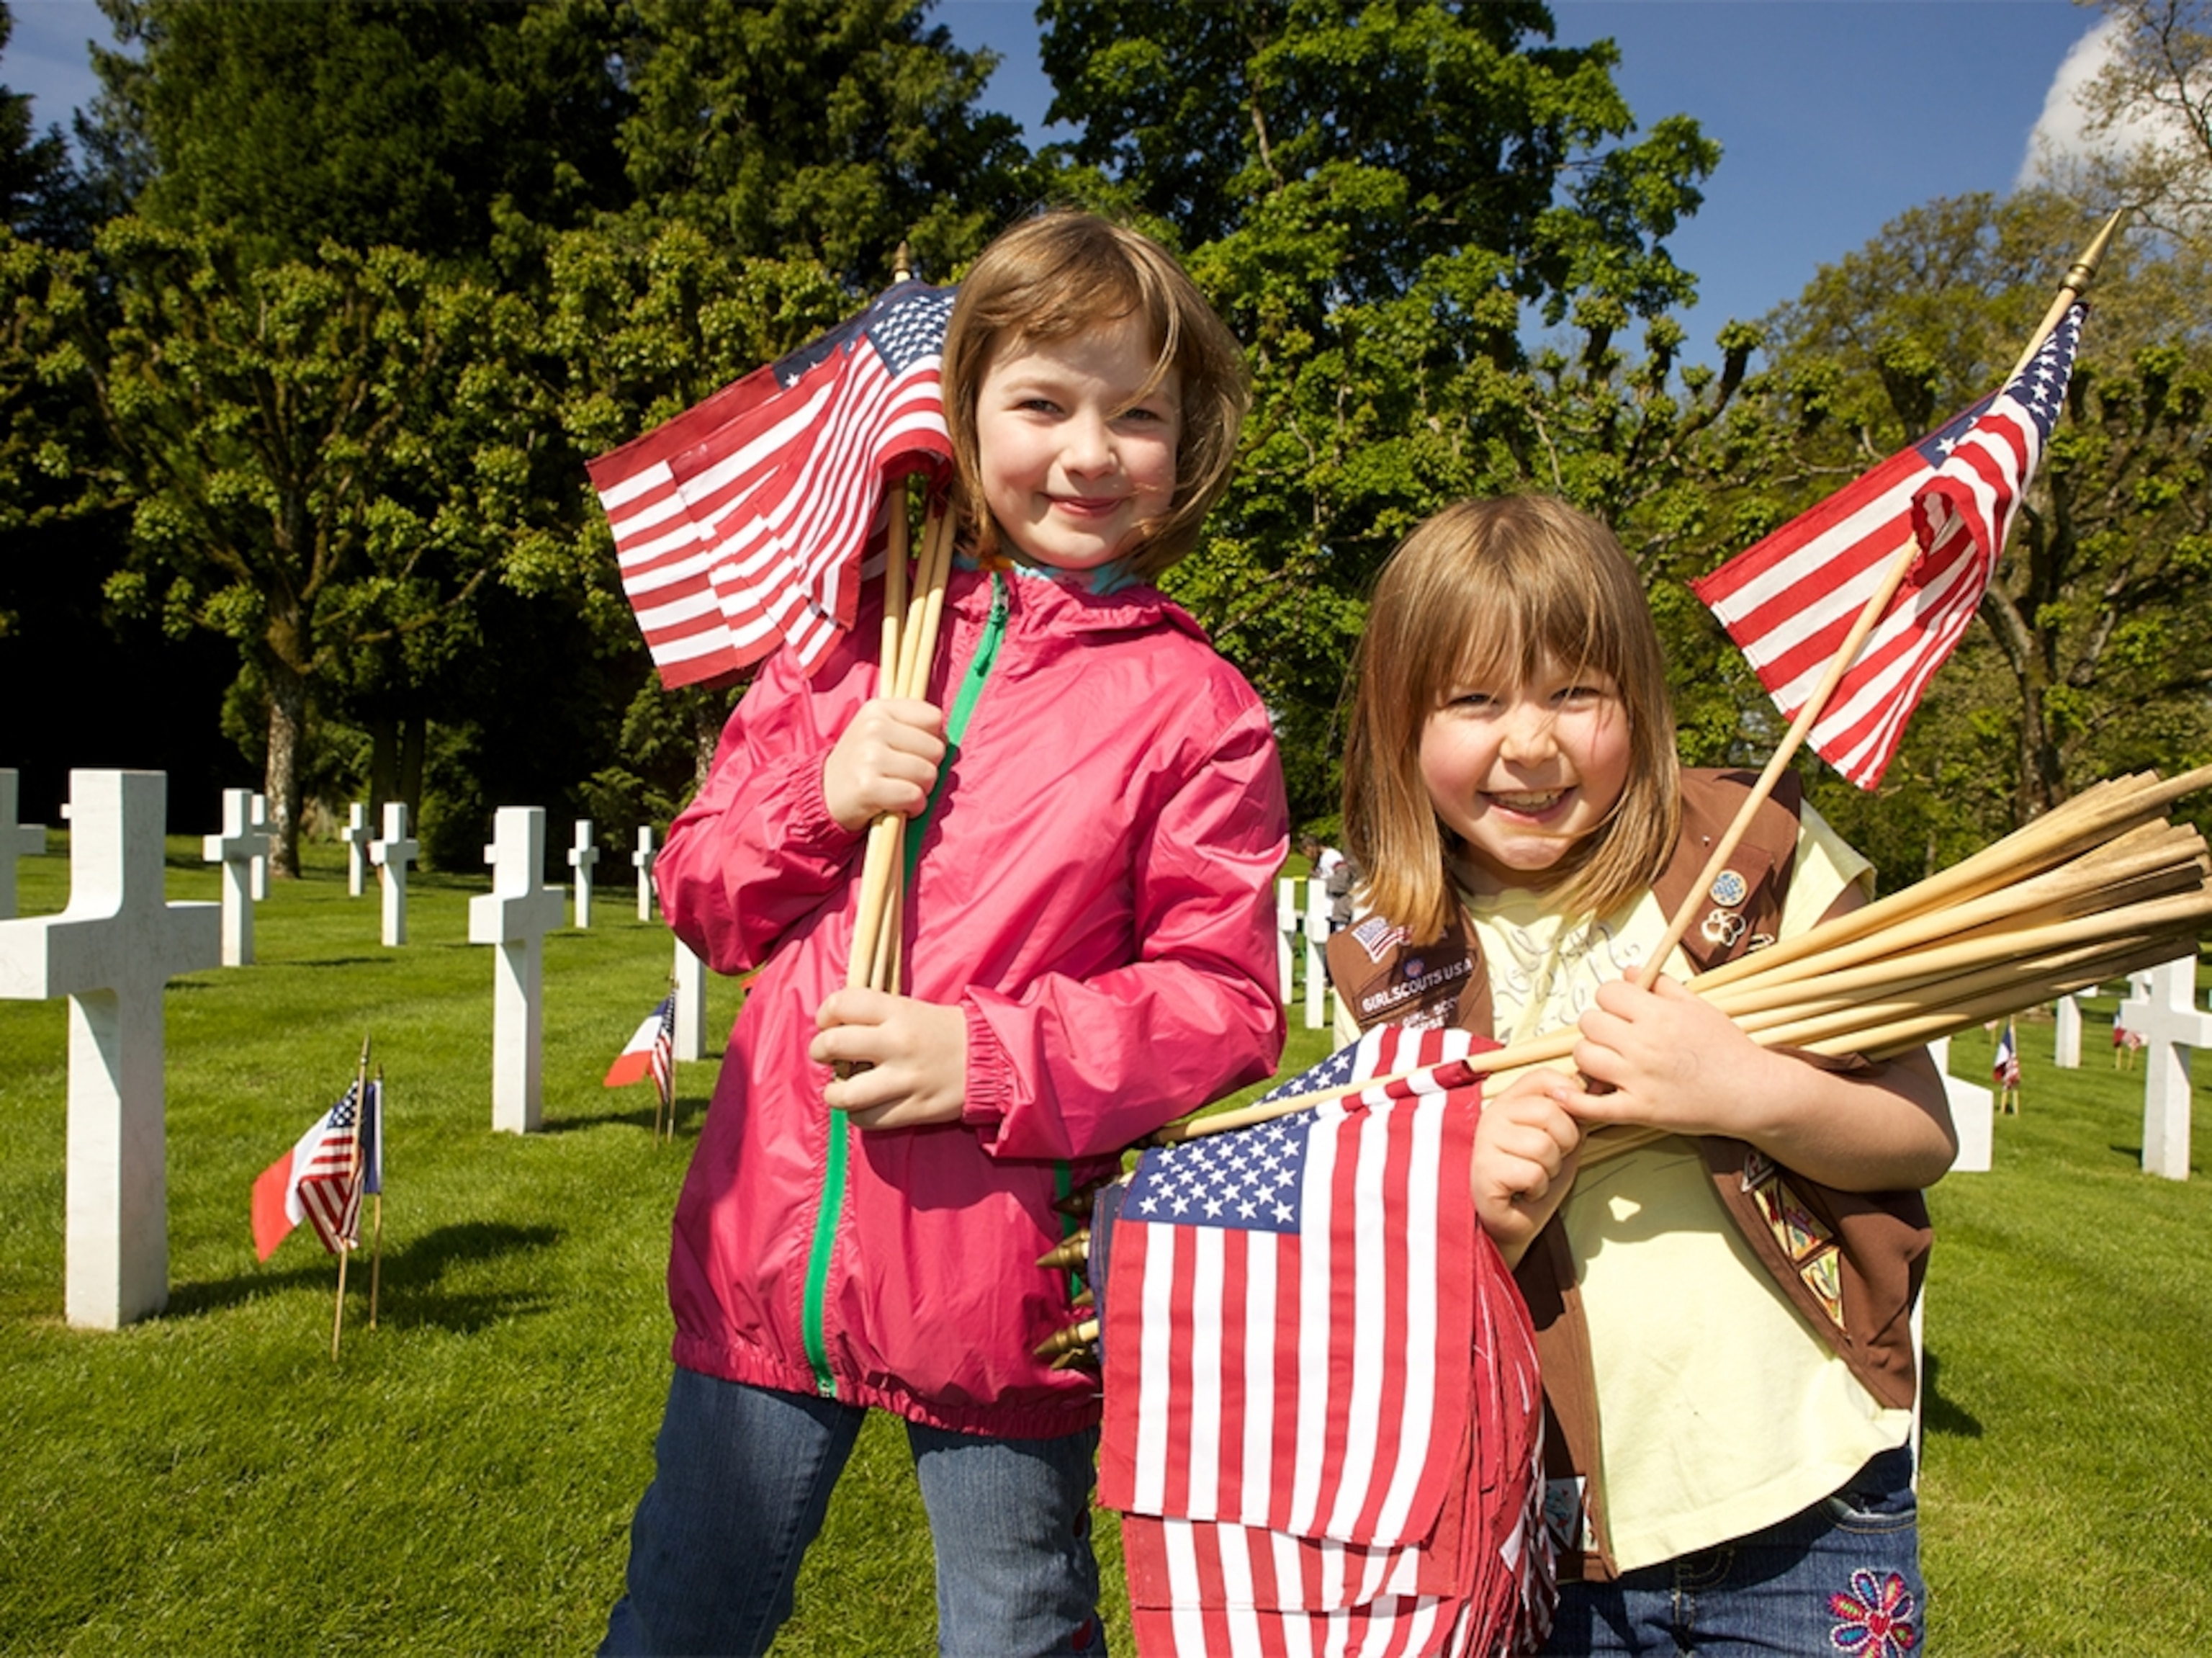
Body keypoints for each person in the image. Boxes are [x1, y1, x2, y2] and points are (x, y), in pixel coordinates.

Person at [601, 212, 1289, 1657]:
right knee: (682, 1619)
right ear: (963, 410)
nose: (1089, 452)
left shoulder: (1197, 707)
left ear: (1189, 443)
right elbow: (702, 892)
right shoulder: (844, 636)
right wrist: (822, 792)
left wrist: (980, 1051)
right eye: (1042, 402)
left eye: (1138, 414)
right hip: (765, 1268)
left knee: (1018, 1625)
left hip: (1004, 1280)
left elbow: (1222, 999)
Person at [1326, 496, 1956, 1657]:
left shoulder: (1751, 856)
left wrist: (1742, 1088)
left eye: (1575, 691)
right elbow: (1383, 1276)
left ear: (1639, 699)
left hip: (1807, 1497)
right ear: (1399, 724)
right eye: (1473, 699)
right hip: (1545, 1533)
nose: (1530, 743)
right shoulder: (1393, 955)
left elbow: (1919, 1133)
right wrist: (1472, 1209)